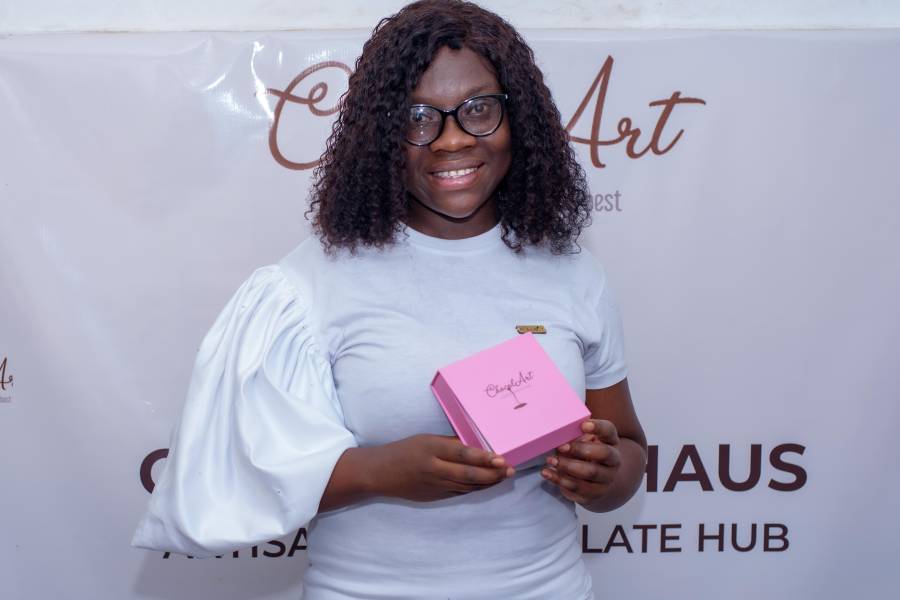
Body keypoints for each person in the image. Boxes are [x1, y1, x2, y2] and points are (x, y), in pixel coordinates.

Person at [131, 1, 648, 598]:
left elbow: (627, 449)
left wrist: (605, 474)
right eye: (417, 117)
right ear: (380, 134)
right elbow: (234, 476)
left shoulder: (573, 273)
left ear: (519, 119)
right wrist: (379, 472)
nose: (451, 140)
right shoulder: (308, 284)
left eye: (479, 110)